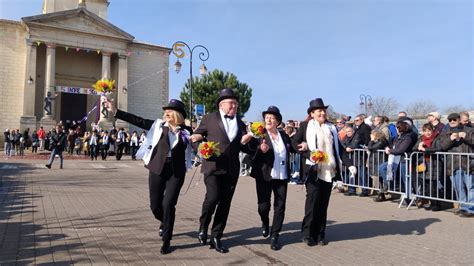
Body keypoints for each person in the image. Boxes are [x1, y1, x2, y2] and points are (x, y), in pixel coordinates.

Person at [107, 98, 194, 254]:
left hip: (176, 172)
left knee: (168, 204)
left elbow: (204, 138)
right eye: (165, 111)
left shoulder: (187, 132)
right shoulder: (158, 126)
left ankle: (167, 240)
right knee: (155, 206)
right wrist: (115, 110)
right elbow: (137, 120)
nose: (166, 113)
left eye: (170, 111)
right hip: (157, 168)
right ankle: (164, 221)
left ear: (178, 115)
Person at [190, 88, 253, 253]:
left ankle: (216, 236)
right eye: (231, 102)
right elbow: (195, 138)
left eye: (236, 103)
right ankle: (203, 225)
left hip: (232, 169)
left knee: (225, 203)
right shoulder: (209, 118)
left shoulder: (240, 123)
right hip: (212, 166)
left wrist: (248, 142)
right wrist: (201, 148)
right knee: (212, 197)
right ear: (221, 104)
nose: (234, 105)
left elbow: (244, 147)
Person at [291, 98, 355, 247]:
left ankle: (320, 234)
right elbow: (294, 143)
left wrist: (350, 165)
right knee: (312, 202)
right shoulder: (306, 126)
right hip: (313, 170)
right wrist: (306, 151)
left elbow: (339, 149)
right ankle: (307, 233)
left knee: (323, 204)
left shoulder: (331, 127)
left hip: (329, 171)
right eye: (319, 110)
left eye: (323, 110)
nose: (322, 113)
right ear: (312, 113)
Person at [248, 106, 293, 251]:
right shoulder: (259, 135)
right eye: (267, 117)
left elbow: (293, 148)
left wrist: (304, 146)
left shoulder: (284, 136)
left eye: (272, 117)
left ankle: (275, 235)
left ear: (278, 122)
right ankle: (265, 222)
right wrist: (259, 150)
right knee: (263, 206)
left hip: (281, 176)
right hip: (264, 175)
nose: (268, 119)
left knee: (280, 206)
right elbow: (250, 155)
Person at [439, 113, 474, 217]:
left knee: (470, 187)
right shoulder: (446, 132)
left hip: (468, 163)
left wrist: (466, 136)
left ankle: (471, 209)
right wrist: (450, 139)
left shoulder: (469, 130)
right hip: (453, 164)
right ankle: (463, 207)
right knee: (458, 187)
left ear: (459, 120)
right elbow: (443, 146)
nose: (452, 122)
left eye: (454, 119)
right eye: (450, 120)